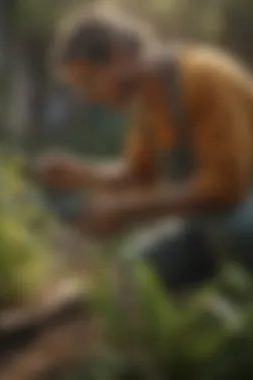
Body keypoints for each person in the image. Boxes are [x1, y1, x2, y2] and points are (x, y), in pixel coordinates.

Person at [33, 7, 253, 293]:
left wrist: (125, 209)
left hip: (240, 212)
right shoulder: (146, 104)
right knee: (131, 271)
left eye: (88, 81)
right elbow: (138, 175)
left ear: (117, 54)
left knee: (238, 232)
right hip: (208, 223)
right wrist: (77, 172)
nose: (88, 96)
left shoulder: (203, 76)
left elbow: (224, 188)